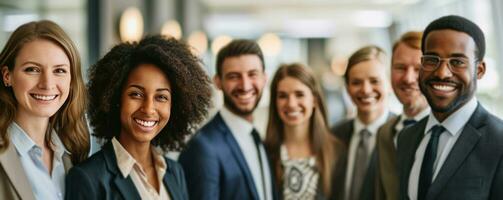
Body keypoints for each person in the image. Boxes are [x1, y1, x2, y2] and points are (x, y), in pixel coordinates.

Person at [64, 35, 212, 200]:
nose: (148, 109)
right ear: (116, 98)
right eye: (136, 94)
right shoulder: (88, 178)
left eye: (161, 97)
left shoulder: (174, 172)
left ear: (174, 105)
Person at [397, 15, 503, 200]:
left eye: (457, 62)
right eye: (432, 59)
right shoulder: (407, 137)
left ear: (479, 70)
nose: (442, 73)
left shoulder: (499, 142)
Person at [0, 20, 90, 200]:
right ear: (7, 75)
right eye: (32, 69)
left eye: (59, 71)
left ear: (71, 80)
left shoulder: (72, 153)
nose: (47, 84)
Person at [179, 39, 274, 200]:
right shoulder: (204, 148)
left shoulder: (258, 137)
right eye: (234, 76)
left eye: (252, 74)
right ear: (218, 82)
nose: (245, 85)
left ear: (264, 78)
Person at [264, 63, 344, 200]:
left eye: (299, 94)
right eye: (283, 96)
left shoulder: (337, 151)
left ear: (314, 100)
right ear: (274, 102)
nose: (291, 103)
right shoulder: (265, 152)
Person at [331, 45, 395, 200]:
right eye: (356, 82)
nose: (366, 90)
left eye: (374, 81)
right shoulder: (334, 135)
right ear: (347, 88)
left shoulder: (404, 134)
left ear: (390, 84)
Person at [375, 31, 430, 200]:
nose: (408, 78)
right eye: (400, 68)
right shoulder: (385, 132)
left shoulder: (443, 133)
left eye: (418, 69)